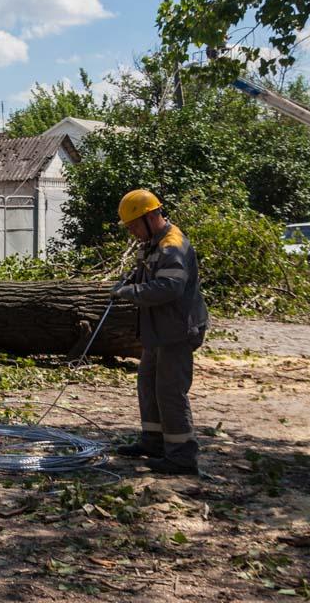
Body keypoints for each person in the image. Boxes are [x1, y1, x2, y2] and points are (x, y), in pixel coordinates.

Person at [111, 189, 210, 475]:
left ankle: (181, 456)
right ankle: (153, 442)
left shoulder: (172, 245)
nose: (131, 232)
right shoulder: (153, 243)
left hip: (177, 330)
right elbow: (149, 274)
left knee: (169, 391)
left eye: (132, 226)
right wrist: (131, 278)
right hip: (160, 330)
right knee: (148, 383)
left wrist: (131, 291)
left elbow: (170, 287)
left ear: (150, 216)